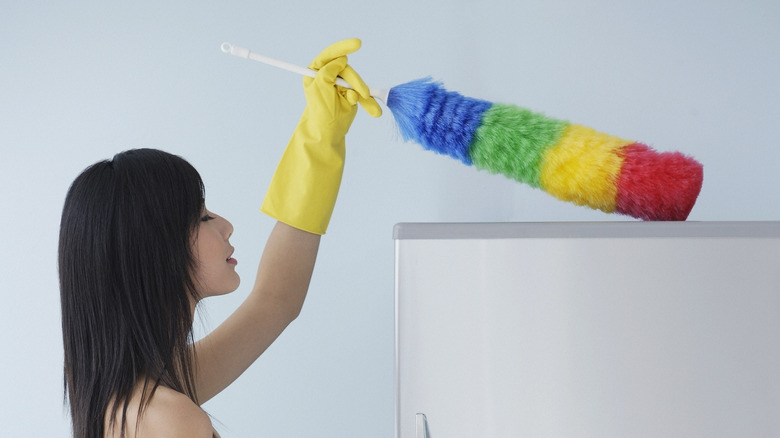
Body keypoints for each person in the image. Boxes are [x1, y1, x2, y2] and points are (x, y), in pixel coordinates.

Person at [58, 38, 382, 438]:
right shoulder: (168, 417)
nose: (226, 224)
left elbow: (276, 300)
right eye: (202, 216)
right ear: (155, 251)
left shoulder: (134, 392)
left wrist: (320, 138)